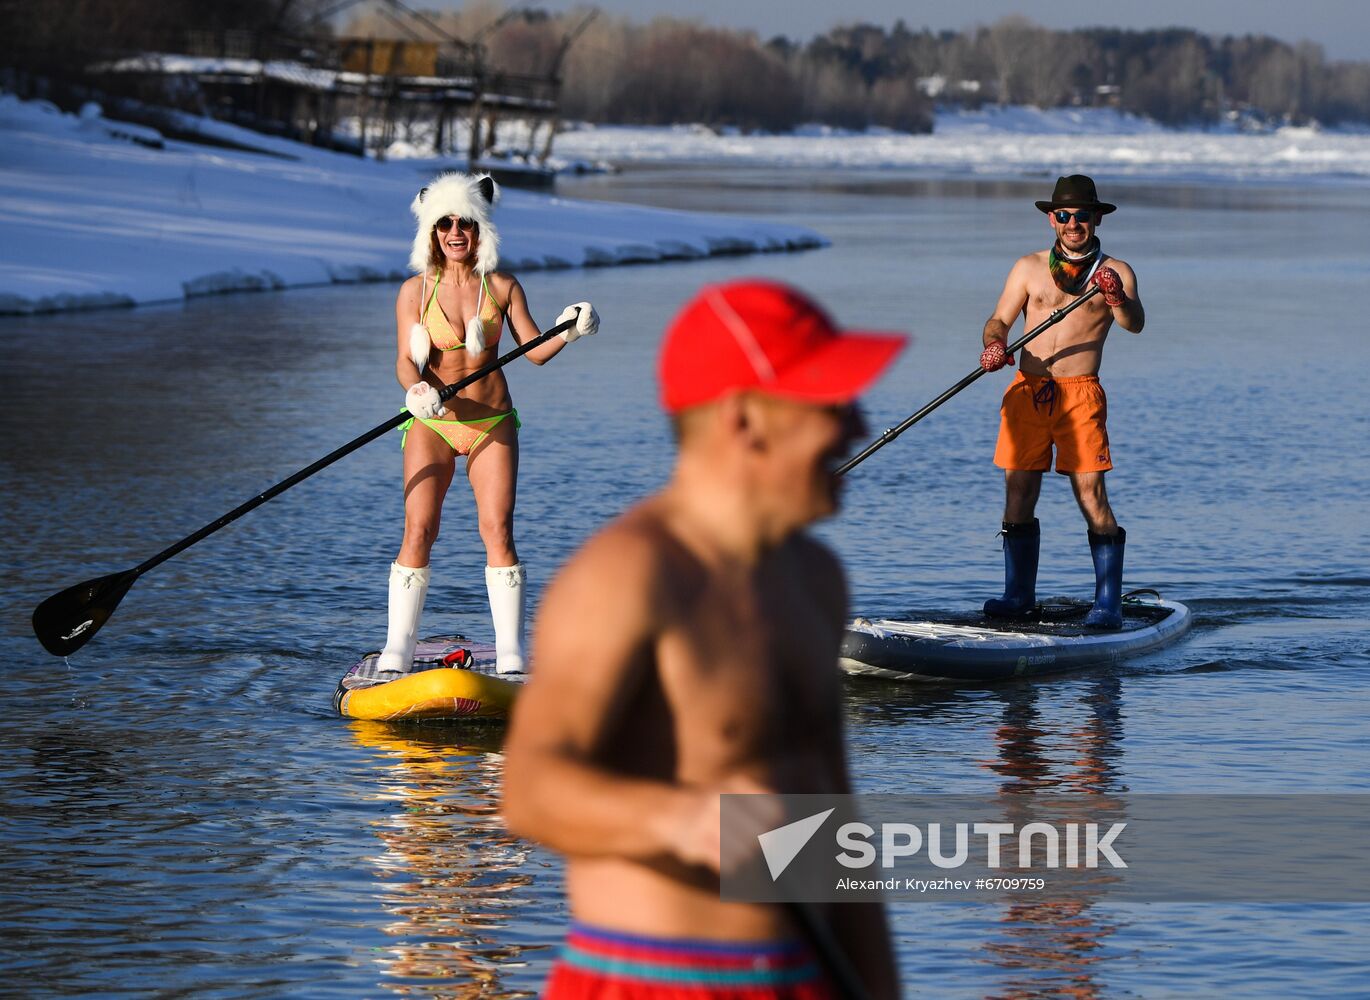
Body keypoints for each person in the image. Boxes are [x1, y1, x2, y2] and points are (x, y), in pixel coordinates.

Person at [502, 280, 907, 999]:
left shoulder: (816, 578)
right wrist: (683, 819)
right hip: (649, 980)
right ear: (744, 418)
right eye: (831, 403)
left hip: (804, 979)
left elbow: (837, 819)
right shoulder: (628, 573)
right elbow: (530, 789)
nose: (857, 425)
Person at [377, 172, 600, 675]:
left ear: (481, 229)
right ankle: (397, 650)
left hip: (492, 423)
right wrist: (416, 391)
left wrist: (569, 330)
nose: (455, 233)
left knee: (497, 529)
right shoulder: (415, 291)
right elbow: (404, 361)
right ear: (432, 231)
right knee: (419, 528)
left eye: (466, 223)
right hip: (433, 424)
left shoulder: (501, 287)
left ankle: (512, 654)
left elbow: (534, 351)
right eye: (445, 224)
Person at [978, 174, 1145, 629]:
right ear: (1052, 219)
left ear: (1096, 219)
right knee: (1018, 492)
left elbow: (1134, 323)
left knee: (1090, 494)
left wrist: (1116, 296)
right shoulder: (1028, 267)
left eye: (1082, 216)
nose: (1073, 223)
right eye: (1065, 215)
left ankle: (1108, 604)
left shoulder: (1116, 270)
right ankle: (1018, 597)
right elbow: (998, 320)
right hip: (1026, 391)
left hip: (1080, 394)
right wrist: (994, 345)